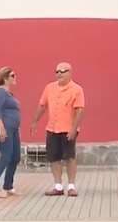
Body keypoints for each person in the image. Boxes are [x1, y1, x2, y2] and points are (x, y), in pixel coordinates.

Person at [30, 61, 85, 197]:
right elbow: (42, 105)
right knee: (54, 157)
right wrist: (35, 121)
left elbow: (79, 110)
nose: (59, 74)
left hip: (68, 129)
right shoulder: (49, 88)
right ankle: (58, 186)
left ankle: (71, 186)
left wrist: (74, 129)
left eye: (62, 71)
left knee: (70, 157)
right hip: (52, 128)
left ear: (70, 73)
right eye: (57, 71)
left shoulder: (77, 89)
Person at [0, 66, 21, 198]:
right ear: (5, 78)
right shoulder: (0, 92)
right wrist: (1, 128)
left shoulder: (8, 93)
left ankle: (8, 186)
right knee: (6, 156)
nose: (15, 77)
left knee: (15, 157)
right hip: (4, 128)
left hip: (13, 129)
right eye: (12, 75)